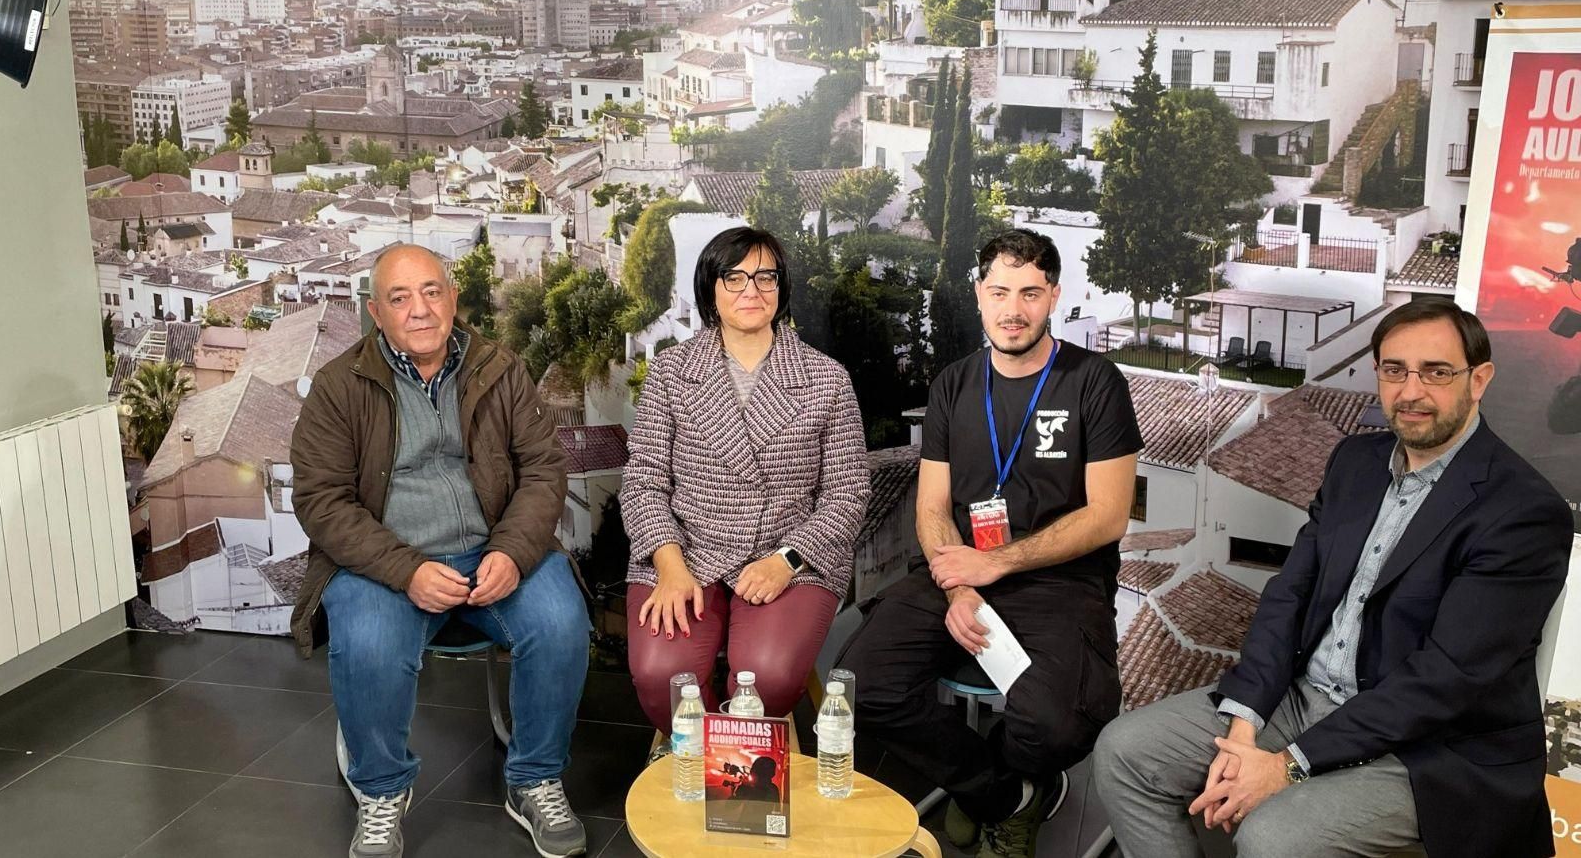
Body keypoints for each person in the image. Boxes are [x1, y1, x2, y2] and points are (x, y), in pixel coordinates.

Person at [1093, 297, 1575, 858]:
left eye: (1437, 372)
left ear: (1480, 379)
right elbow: (1289, 595)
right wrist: (1245, 723)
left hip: (1431, 748)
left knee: (1272, 838)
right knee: (1125, 752)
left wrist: (1286, 765)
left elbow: (1447, 679)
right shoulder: (1356, 461)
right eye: (1394, 371)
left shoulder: (1523, 511)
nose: (1411, 391)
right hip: (1304, 696)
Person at [840, 229, 1141, 858]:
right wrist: (964, 581)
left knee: (1059, 725)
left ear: (1054, 296)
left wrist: (994, 562)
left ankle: (1018, 776)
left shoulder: (1095, 381)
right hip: (957, 568)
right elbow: (930, 506)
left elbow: (1109, 516)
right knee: (861, 683)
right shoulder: (953, 383)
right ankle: (1002, 796)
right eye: (1000, 291)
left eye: (1031, 293)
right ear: (979, 296)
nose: (1014, 309)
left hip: (1060, 580)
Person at [289, 244, 592, 858]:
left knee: (562, 623)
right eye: (400, 298)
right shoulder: (337, 386)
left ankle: (534, 778)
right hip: (385, 562)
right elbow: (321, 501)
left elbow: (543, 471)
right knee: (369, 642)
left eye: (432, 291)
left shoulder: (500, 368)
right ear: (375, 312)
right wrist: (406, 570)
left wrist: (511, 551)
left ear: (453, 298)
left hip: (495, 551)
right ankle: (379, 791)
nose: (420, 310)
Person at [620, 226, 869, 737]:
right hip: (686, 549)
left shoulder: (826, 377)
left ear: (782, 288)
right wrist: (668, 566)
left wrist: (788, 560)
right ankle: (710, 755)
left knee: (769, 679)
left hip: (789, 553)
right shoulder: (671, 372)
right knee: (660, 676)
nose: (751, 290)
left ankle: (734, 767)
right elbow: (642, 481)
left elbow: (848, 493)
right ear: (710, 288)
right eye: (733, 277)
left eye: (765, 277)